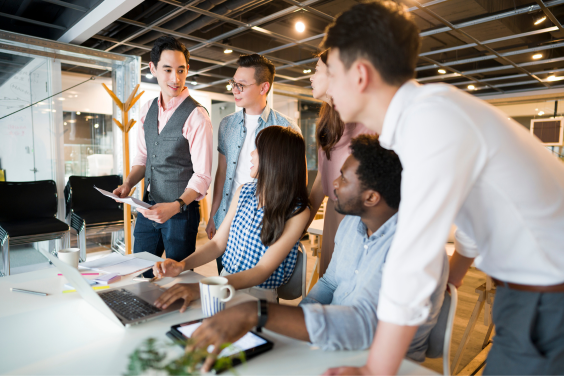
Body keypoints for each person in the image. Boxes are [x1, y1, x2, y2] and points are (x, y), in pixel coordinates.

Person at [317, 2, 564, 375]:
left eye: (330, 72)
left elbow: (411, 261)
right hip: (528, 293)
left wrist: (374, 371)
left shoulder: (429, 122)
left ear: (360, 75)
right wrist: (459, 269)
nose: (324, 87)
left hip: (548, 300)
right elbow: (475, 213)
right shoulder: (430, 115)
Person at [187, 134, 448, 373]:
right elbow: (330, 282)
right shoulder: (352, 225)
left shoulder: (415, 247)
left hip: (385, 360)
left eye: (344, 178)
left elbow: (366, 325)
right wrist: (292, 325)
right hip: (334, 340)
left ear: (371, 197)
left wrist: (259, 312)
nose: (333, 184)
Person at [152, 126, 310, 309]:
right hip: (224, 284)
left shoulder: (297, 212)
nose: (251, 154)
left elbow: (262, 271)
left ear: (275, 158)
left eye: (257, 149)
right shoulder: (244, 192)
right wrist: (181, 265)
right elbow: (218, 244)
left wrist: (202, 288)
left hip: (258, 299)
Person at [113, 36, 212, 276]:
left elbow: (202, 176)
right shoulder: (147, 109)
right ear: (153, 68)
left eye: (181, 70)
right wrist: (127, 184)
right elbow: (142, 158)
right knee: (140, 271)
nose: (175, 79)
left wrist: (176, 206)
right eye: (167, 70)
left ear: (187, 69)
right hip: (147, 207)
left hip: (181, 215)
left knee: (178, 278)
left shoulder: (197, 116)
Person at [205, 54, 301, 274]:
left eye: (241, 85)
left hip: (265, 223)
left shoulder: (286, 128)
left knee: (261, 288)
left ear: (263, 87)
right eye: (233, 83)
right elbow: (222, 173)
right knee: (225, 277)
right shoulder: (227, 124)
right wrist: (213, 214)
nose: (234, 90)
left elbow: (297, 182)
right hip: (227, 219)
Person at [307, 50, 373, 277]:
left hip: (361, 219)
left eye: (316, 70)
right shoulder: (327, 122)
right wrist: (299, 228)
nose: (311, 77)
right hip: (333, 215)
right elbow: (320, 182)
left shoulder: (366, 122)